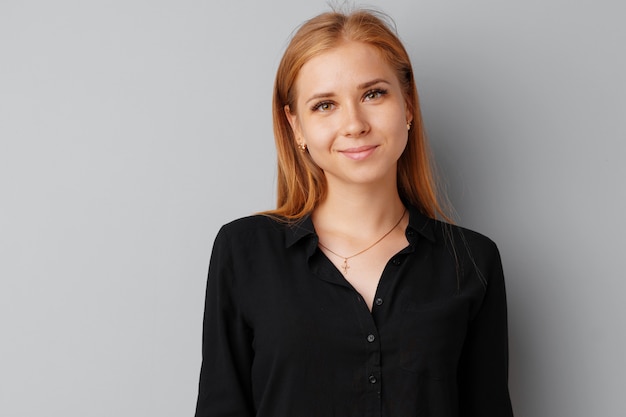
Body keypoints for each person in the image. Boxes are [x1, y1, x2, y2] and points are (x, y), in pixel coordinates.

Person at [195, 8, 514, 417]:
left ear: (409, 105)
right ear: (296, 128)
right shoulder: (244, 251)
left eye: (373, 94)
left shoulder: (471, 261)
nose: (354, 124)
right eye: (325, 105)